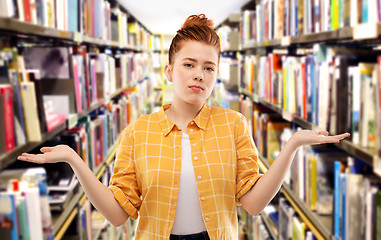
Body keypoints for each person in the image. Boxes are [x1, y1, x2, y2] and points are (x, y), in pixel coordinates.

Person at [17, 14, 350, 240]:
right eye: (189, 64)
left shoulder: (234, 125)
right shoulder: (137, 131)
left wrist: (291, 146)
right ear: (168, 71)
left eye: (209, 67)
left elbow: (253, 204)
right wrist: (75, 160)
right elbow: (118, 215)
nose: (199, 75)